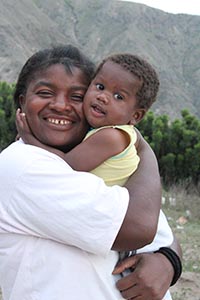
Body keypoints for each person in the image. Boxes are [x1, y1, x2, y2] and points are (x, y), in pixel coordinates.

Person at [0, 45, 181, 300]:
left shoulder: (104, 166)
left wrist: (169, 260)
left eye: (76, 96)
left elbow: (159, 230)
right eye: (44, 92)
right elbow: (140, 227)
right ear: (22, 101)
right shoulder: (22, 164)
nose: (61, 105)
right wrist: (143, 149)